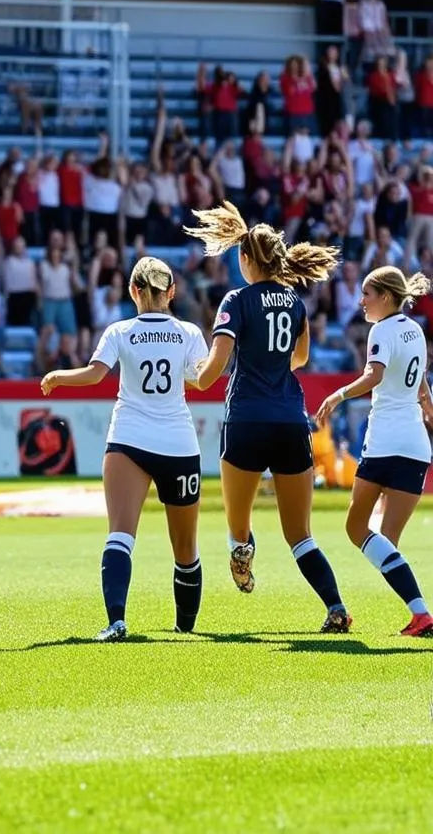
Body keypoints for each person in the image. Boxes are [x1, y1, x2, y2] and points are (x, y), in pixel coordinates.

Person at [187, 201, 352, 633]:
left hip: (246, 421)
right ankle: (336, 607)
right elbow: (301, 357)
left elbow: (212, 372)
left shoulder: (236, 299)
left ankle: (242, 549)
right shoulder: (295, 302)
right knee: (301, 535)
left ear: (245, 259)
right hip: (291, 422)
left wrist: (189, 376)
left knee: (238, 526)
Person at [40, 257, 208, 642]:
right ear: (172, 292)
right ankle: (185, 630)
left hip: (129, 439)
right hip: (178, 444)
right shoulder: (188, 332)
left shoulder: (120, 330)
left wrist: (58, 378)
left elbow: (96, 373)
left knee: (119, 535)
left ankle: (116, 621)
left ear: (133, 291)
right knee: (185, 549)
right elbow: (202, 380)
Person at [315, 267, 433, 637]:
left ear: (385, 296)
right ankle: (419, 615)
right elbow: (421, 384)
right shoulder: (415, 329)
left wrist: (337, 394)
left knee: (355, 526)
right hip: (416, 446)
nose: (361, 301)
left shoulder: (381, 330)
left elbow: (374, 375)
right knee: (386, 540)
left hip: (385, 441)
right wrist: (429, 406)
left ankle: (422, 611)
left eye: (367, 294)